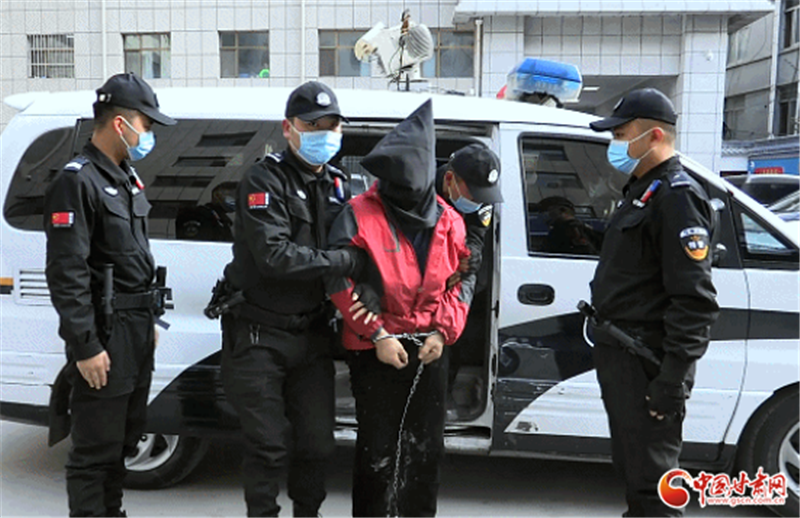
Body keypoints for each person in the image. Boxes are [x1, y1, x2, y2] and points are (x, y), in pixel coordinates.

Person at [218, 81, 364, 517]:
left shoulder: (339, 184)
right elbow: (275, 256)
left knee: (317, 444)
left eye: (331, 126)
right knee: (267, 446)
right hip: (259, 334)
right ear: (289, 128)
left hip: (312, 334)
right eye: (312, 125)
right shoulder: (265, 179)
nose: (324, 134)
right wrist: (343, 261)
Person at [325, 100, 474, 517]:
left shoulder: (449, 220)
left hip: (429, 346)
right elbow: (339, 281)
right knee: (378, 451)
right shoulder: (357, 214)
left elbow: (460, 282)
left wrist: (443, 331)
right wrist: (377, 335)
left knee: (425, 450)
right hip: (376, 349)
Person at [44, 72, 176, 517]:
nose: (149, 134)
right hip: (105, 333)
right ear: (121, 124)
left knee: (123, 442)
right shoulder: (77, 181)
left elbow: (134, 259)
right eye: (147, 124)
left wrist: (150, 319)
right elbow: (67, 273)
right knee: (94, 452)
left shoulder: (125, 178)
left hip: (136, 331)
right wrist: (85, 346)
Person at [587, 88, 720, 517]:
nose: (615, 144)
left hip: (648, 363)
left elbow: (695, 300)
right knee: (634, 471)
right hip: (624, 357)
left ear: (654, 136)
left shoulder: (677, 197)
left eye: (621, 135)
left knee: (653, 487)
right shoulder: (643, 189)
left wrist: (671, 380)